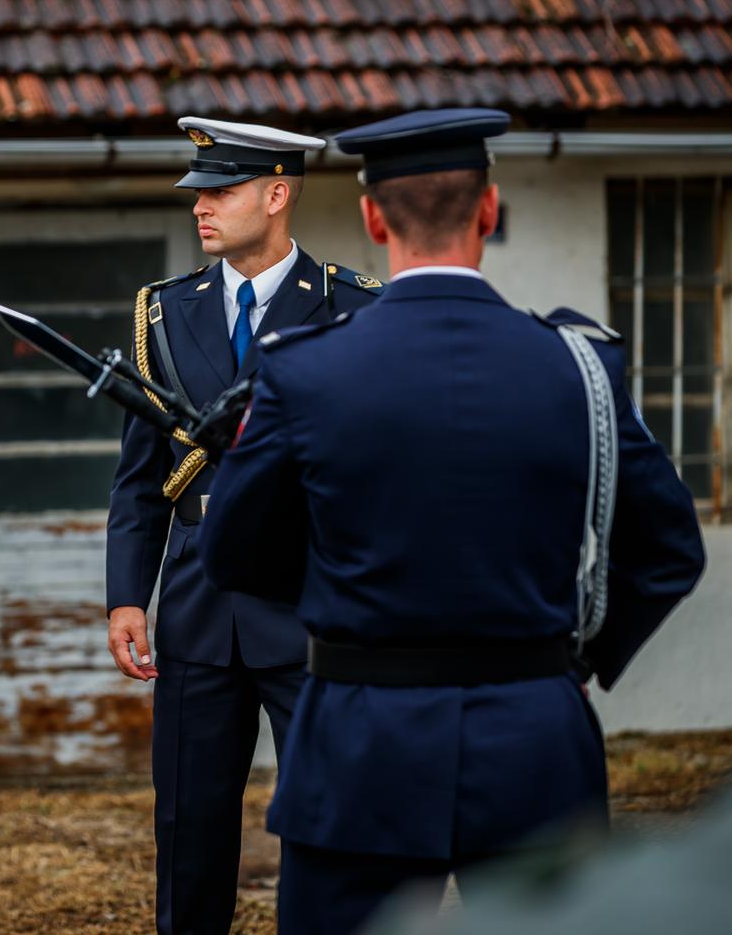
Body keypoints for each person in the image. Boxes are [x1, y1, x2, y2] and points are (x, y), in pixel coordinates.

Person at [199, 108, 706, 935]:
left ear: (370, 217)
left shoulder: (306, 370)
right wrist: (575, 657)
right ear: (488, 210)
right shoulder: (578, 364)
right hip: (534, 730)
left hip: (358, 736)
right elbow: (667, 551)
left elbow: (234, 553)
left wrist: (345, 590)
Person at [106, 115, 383, 935]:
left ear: (275, 193)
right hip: (194, 605)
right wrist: (127, 596)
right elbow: (139, 477)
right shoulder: (163, 313)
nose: (200, 208)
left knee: (328, 821)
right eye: (196, 193)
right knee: (187, 824)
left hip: (307, 604)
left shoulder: (349, 307)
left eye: (219, 191)